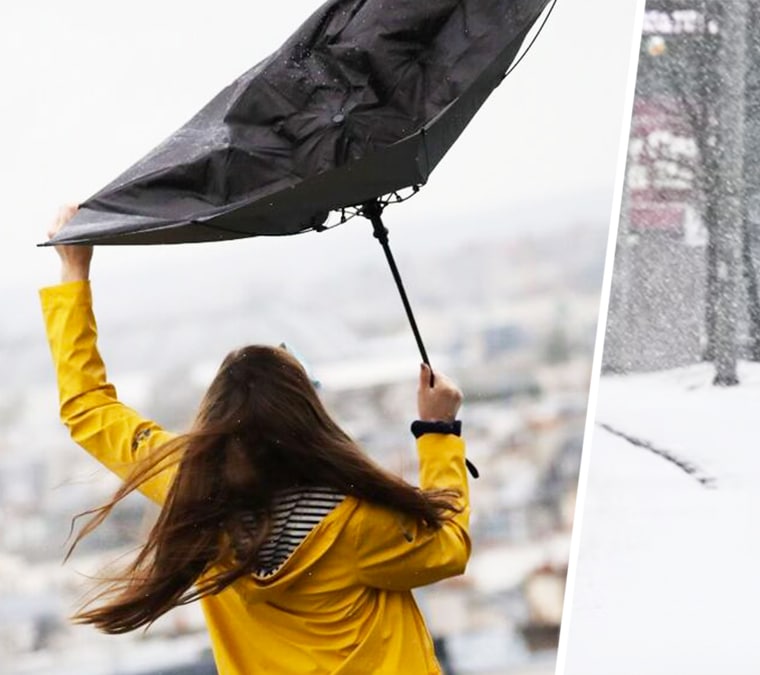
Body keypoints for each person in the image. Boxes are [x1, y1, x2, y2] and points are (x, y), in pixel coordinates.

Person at [41, 204, 471, 673]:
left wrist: (73, 269)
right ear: (308, 421)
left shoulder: (190, 491)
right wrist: (438, 431)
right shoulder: (358, 525)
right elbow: (448, 549)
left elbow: (87, 408)